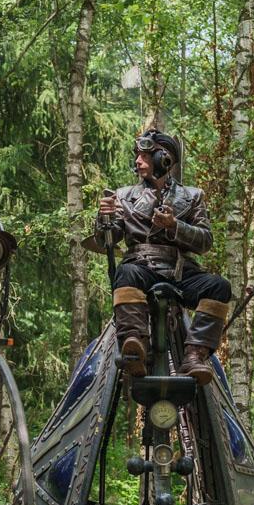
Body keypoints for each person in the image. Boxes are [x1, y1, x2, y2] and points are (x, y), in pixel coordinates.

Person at [95, 129, 230, 385]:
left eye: (144, 156)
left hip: (180, 271)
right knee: (126, 273)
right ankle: (135, 344)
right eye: (137, 155)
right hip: (140, 266)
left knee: (219, 287)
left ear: (163, 158)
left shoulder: (193, 196)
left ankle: (195, 355)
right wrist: (105, 218)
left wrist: (174, 226)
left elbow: (205, 241)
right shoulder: (123, 196)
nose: (138, 161)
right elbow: (107, 241)